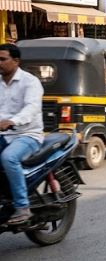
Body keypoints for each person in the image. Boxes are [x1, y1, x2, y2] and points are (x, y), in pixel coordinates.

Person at [0, 43, 44, 224]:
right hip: (3, 135)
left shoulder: (30, 82)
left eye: (3, 59)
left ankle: (22, 207)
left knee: (9, 158)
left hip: (27, 135)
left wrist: (12, 121)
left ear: (16, 61)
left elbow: (32, 108)